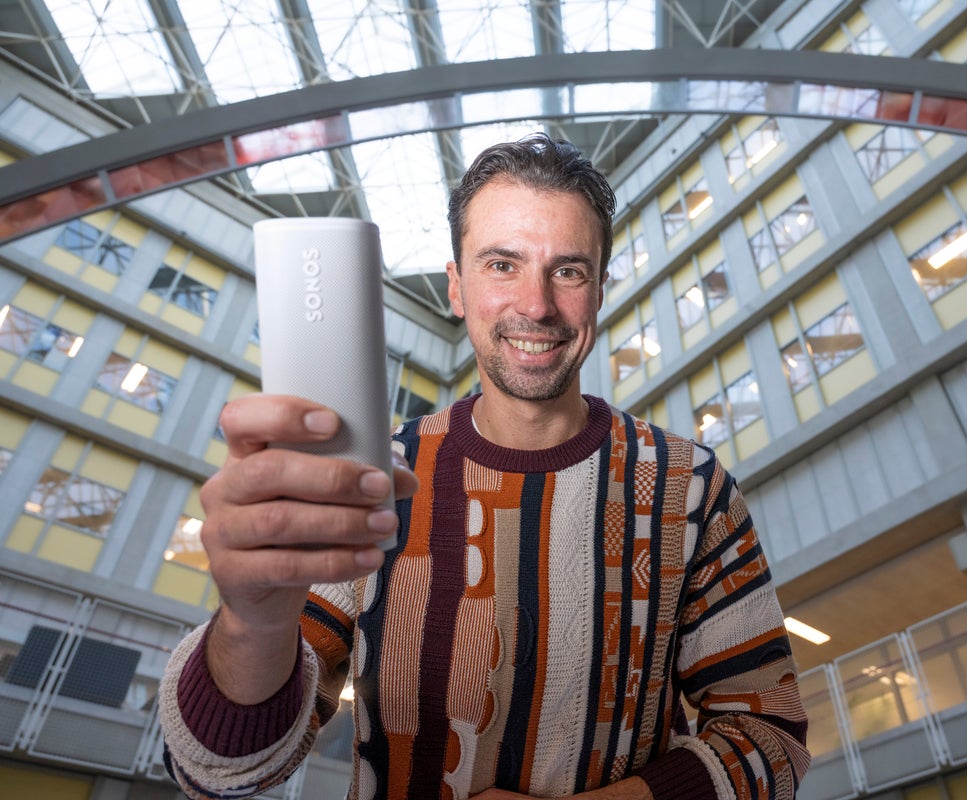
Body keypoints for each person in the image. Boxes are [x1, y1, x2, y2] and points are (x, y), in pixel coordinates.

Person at [158, 134, 810, 800]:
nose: (536, 305)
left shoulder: (689, 487)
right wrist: (253, 622)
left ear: (599, 292)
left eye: (568, 271)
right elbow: (226, 769)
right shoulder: (375, 477)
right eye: (502, 264)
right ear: (457, 288)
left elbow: (771, 739)